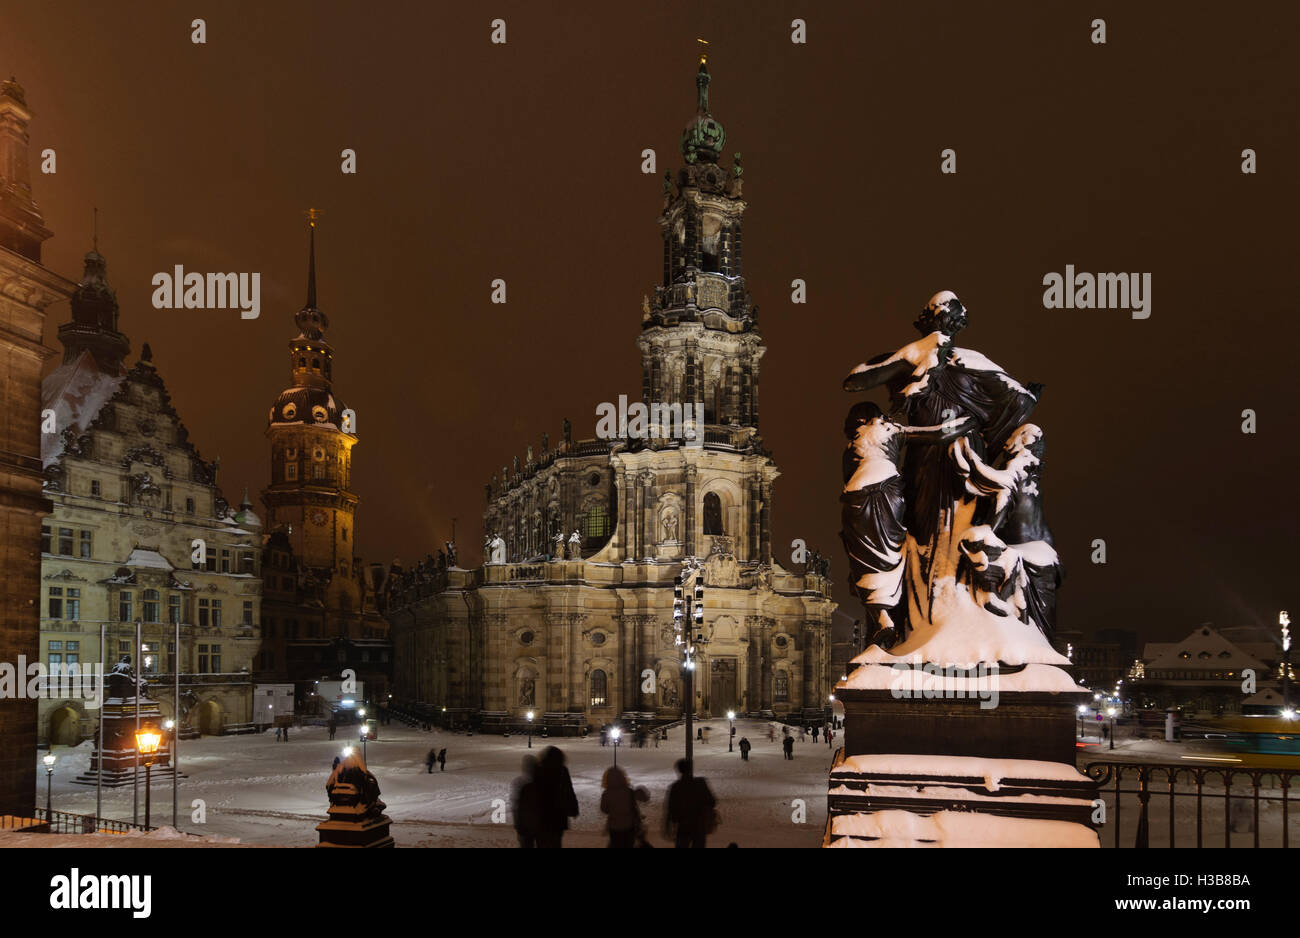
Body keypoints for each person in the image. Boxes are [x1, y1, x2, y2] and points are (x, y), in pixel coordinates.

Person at [665, 759, 716, 848]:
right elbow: (712, 802)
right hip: (699, 826)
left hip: (683, 827)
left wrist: (670, 822)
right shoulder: (700, 783)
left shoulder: (676, 787)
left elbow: (671, 808)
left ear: (679, 770)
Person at [534, 746, 579, 848]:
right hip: (557, 815)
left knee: (542, 842)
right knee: (555, 842)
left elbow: (534, 790)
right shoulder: (562, 771)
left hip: (542, 815)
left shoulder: (539, 769)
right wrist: (573, 808)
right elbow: (568, 791)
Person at [599, 765, 643, 848]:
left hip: (614, 826)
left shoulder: (607, 794)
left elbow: (604, 810)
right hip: (629, 824)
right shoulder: (629, 791)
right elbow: (634, 805)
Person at [511, 755, 540, 848]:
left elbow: (515, 805)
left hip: (525, 824)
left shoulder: (519, 782)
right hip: (539, 823)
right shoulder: (541, 782)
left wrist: (517, 823)